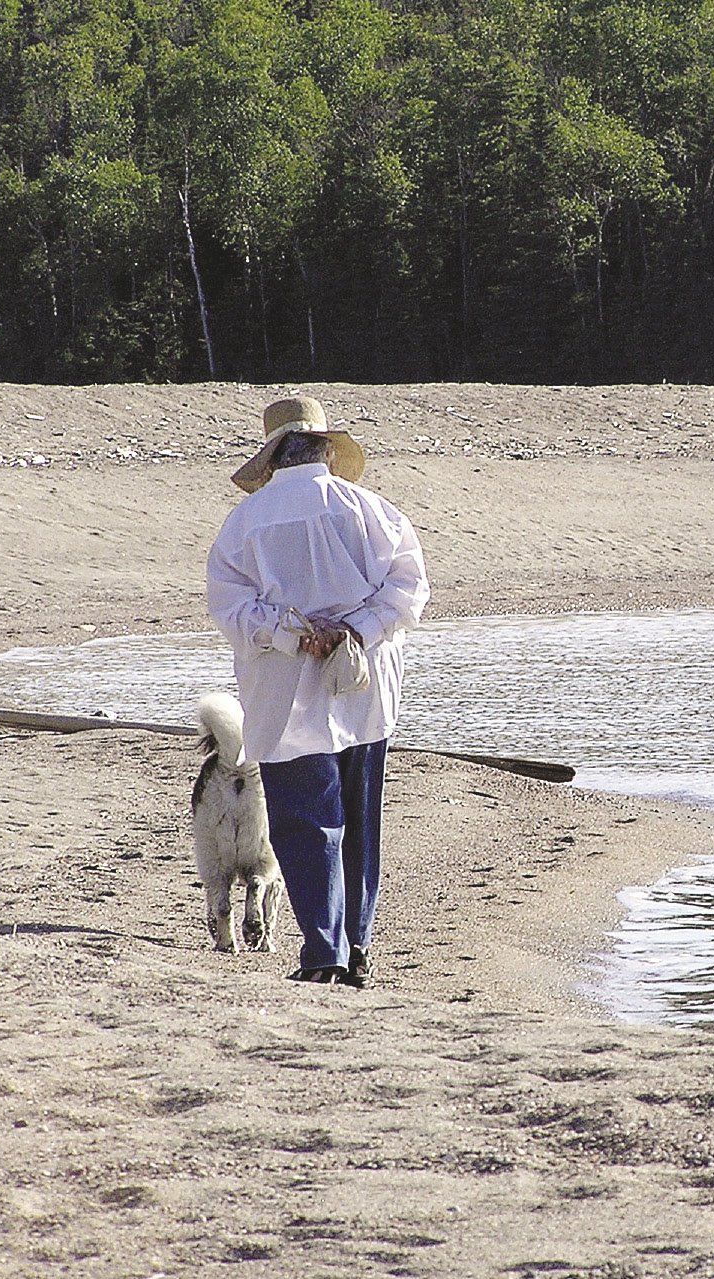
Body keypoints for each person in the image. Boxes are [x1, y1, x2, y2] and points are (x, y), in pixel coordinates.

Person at [206, 395, 430, 987]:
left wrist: (291, 634)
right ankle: (356, 945)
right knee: (358, 817)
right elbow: (408, 591)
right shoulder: (374, 510)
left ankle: (324, 951)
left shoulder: (246, 521)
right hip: (364, 680)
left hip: (283, 685)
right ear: (327, 449)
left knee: (305, 820)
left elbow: (230, 607)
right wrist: (354, 629)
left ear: (273, 455)